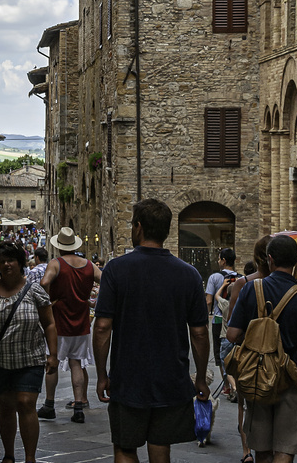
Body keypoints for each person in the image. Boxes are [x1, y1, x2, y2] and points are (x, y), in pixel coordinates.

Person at [92, 198, 210, 463]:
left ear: (139, 227)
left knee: (124, 447)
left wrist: (102, 375)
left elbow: (102, 327)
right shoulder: (189, 274)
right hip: (171, 377)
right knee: (160, 446)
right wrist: (200, 378)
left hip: (128, 377)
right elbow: (200, 332)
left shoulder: (115, 270)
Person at [227, 234, 297, 463]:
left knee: (262, 447)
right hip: (292, 379)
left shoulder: (251, 289)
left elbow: (232, 335)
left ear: (270, 259)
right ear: (295, 261)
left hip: (258, 376)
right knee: (285, 446)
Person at [0, 242, 58, 463]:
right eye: (2, 261)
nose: (7, 264)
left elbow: (49, 323)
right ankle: (9, 455)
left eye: (11, 260)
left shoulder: (35, 290)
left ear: (20, 263)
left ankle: (29, 457)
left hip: (30, 357)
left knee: (26, 402)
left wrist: (52, 354)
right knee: (6, 407)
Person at [38, 227, 102, 423]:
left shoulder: (56, 264)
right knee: (76, 363)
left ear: (59, 246)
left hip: (59, 321)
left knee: (53, 361)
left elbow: (43, 282)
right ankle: (78, 407)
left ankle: (49, 405)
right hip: (81, 321)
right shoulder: (89, 265)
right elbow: (107, 280)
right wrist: (93, 301)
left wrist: (49, 301)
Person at [220, 237, 272, 463]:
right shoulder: (289, 286)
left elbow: (232, 322)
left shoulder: (243, 284)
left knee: (244, 404)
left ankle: (247, 451)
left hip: (248, 354)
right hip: (278, 357)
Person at [206, 247, 239, 392]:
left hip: (219, 320)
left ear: (224, 261)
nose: (218, 261)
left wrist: (207, 317)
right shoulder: (241, 278)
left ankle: (227, 386)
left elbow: (208, 300)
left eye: (219, 259)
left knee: (220, 354)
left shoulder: (214, 277)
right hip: (236, 320)